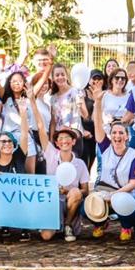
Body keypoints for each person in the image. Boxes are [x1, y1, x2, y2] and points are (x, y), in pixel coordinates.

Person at [86, 87, 135, 241]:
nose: (117, 136)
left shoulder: (133, 154)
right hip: (104, 189)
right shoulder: (105, 147)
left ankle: (126, 226)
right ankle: (100, 222)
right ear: (110, 135)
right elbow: (98, 125)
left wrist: (114, 195)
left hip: (124, 193)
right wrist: (98, 102)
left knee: (121, 202)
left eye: (121, 133)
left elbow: (133, 183)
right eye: (114, 132)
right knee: (86, 205)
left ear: (127, 136)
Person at [32, 104, 88, 242]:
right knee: (46, 236)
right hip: (52, 202)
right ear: (56, 143)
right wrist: (33, 101)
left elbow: (86, 190)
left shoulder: (80, 164)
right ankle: (55, 225)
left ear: (73, 141)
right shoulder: (51, 154)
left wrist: (68, 191)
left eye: (67, 138)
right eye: (60, 138)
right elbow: (41, 127)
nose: (64, 141)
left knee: (76, 192)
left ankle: (68, 224)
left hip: (70, 203)